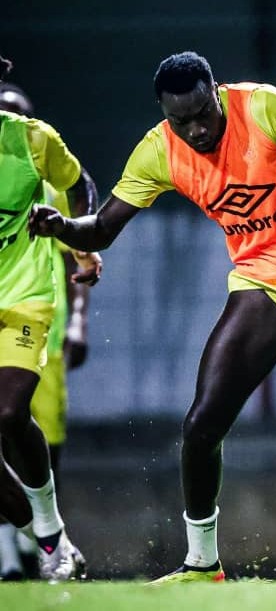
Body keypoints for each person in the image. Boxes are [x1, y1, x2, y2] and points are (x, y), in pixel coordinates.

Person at [28, 51, 276, 583]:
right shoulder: (158, 151)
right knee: (200, 425)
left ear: (216, 92)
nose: (196, 129)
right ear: (164, 115)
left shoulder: (264, 107)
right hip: (258, 277)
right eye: (181, 120)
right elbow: (102, 228)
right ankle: (203, 563)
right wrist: (62, 227)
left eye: (203, 113)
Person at [0, 56, 101, 582]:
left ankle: (42, 539)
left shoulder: (31, 141)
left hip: (23, 296)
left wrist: (81, 234)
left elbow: (80, 181)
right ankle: (50, 540)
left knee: (9, 412)